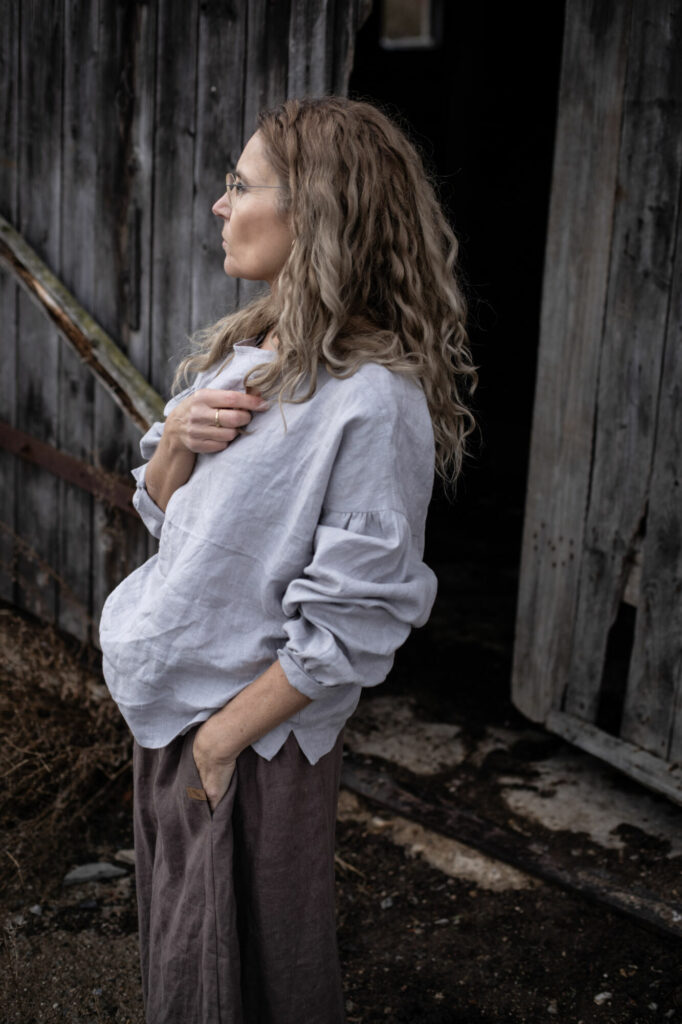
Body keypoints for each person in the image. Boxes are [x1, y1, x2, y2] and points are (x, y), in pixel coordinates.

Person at [99, 95, 476, 1024]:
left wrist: (220, 744)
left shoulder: (372, 401)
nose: (220, 205)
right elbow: (166, 517)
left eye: (241, 184)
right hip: (173, 714)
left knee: (255, 984)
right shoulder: (248, 351)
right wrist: (177, 438)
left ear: (315, 212)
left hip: (253, 742)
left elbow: (358, 620)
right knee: (184, 967)